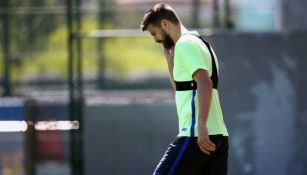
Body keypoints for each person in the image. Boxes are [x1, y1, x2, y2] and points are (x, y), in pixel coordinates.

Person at [140, 3, 229, 175]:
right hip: (219, 136)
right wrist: (170, 61)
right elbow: (184, 89)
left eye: (154, 33)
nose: (155, 39)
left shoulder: (184, 45)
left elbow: (205, 83)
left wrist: (201, 125)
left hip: (196, 135)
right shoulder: (202, 43)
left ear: (165, 24)